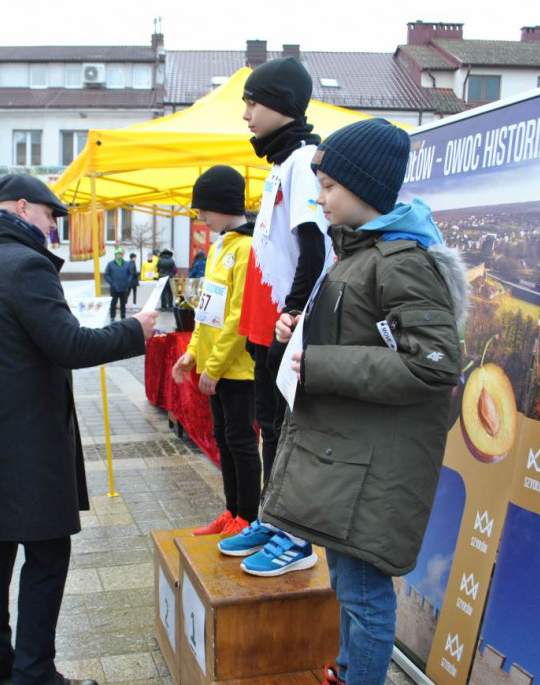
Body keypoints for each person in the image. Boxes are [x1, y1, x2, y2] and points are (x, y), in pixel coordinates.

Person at [260, 119, 468, 683]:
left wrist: (321, 363)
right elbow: (363, 335)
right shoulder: (361, 254)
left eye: (328, 186)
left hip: (372, 467)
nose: (318, 197)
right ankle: (348, 671)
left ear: (364, 187)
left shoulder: (400, 260)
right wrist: (299, 331)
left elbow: (434, 363)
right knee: (348, 585)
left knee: (365, 596)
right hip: (352, 459)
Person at [0, 174, 157, 685]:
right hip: (28, 442)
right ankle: (34, 673)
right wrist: (138, 329)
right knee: (46, 555)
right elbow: (70, 346)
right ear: (23, 208)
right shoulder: (25, 265)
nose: (54, 228)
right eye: (50, 217)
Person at [217, 57, 334, 573]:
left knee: (289, 430)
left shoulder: (305, 160)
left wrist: (293, 312)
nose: (245, 114)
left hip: (288, 323)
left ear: (282, 104)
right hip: (265, 324)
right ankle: (273, 515)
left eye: (252, 102)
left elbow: (314, 247)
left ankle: (297, 537)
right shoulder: (280, 164)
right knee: (268, 425)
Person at [172, 166, 257, 537]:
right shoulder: (221, 245)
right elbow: (208, 311)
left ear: (222, 204)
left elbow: (240, 315)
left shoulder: (248, 247)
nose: (200, 216)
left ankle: (248, 517)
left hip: (237, 371)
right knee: (223, 439)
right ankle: (231, 510)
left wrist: (216, 365)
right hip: (217, 367)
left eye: (203, 208)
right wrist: (193, 352)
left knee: (240, 441)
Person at [104, 247, 134, 321]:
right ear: (115, 255)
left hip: (124, 288)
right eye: (117, 254)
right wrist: (111, 282)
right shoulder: (110, 264)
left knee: (123, 304)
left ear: (122, 255)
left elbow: (131, 274)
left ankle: (123, 317)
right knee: (113, 304)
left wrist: (128, 282)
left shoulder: (127, 264)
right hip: (114, 288)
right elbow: (106, 274)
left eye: (120, 254)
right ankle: (112, 317)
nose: (118, 256)